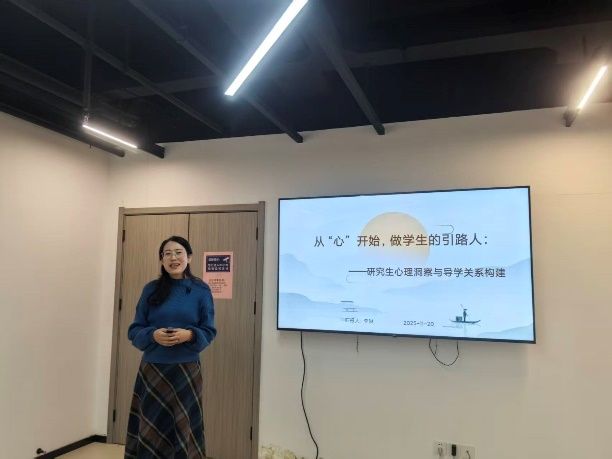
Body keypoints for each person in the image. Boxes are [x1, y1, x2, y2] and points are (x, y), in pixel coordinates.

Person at [125, 236, 216, 459]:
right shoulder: (151, 289)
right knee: (152, 426)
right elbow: (134, 330)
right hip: (153, 369)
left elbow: (209, 330)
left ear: (189, 257)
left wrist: (190, 334)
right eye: (167, 254)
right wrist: (152, 335)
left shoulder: (201, 290)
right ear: (161, 260)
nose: (173, 258)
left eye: (178, 252)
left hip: (186, 370)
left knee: (185, 427)